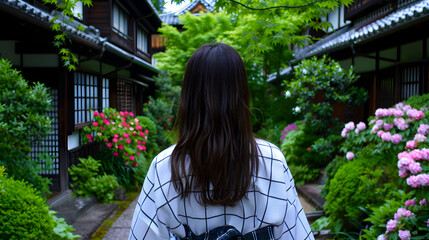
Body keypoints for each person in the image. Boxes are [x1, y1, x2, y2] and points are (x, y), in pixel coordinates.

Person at [129, 43, 314, 240]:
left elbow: (143, 235)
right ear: (241, 93)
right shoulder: (272, 160)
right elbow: (296, 234)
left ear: (189, 97)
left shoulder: (164, 166)